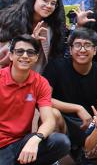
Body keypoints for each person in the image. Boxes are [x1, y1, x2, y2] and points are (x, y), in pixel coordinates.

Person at [43, 28, 97, 161]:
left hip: (89, 124)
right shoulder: (56, 67)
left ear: (95, 50)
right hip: (62, 121)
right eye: (77, 45)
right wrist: (77, 108)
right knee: (51, 113)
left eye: (87, 45)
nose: (82, 50)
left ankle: (79, 153)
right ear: (70, 50)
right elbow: (44, 99)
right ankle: (59, 157)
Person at [0, 34, 70, 164]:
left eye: (30, 52)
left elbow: (49, 120)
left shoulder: (40, 82)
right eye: (20, 51)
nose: (25, 56)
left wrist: (36, 138)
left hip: (22, 142)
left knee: (61, 142)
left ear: (36, 58)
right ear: (11, 55)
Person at [0, 0, 65, 73]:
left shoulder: (50, 27)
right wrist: (30, 41)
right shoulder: (11, 19)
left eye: (53, 3)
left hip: (35, 78)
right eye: (45, 1)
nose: (49, 5)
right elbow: (3, 56)